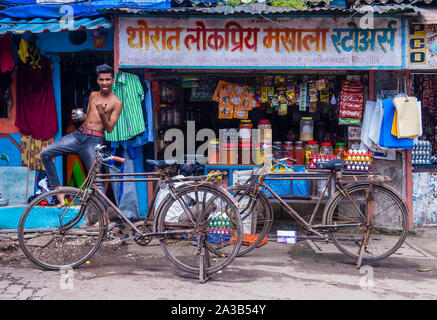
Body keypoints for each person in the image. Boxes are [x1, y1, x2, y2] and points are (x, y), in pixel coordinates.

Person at [40, 64, 122, 215]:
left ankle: (104, 218)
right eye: (101, 79)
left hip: (94, 141)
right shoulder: (93, 95)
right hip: (79, 135)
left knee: (96, 181)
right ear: (97, 80)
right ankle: (59, 191)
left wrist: (102, 113)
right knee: (45, 153)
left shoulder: (117, 103)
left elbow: (110, 127)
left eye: (107, 79)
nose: (104, 83)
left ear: (113, 81)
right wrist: (79, 117)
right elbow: (88, 117)